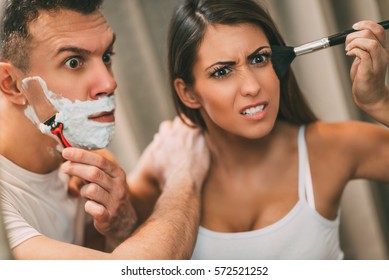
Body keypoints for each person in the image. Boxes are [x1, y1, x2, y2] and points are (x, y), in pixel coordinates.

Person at [128, 0, 389, 259]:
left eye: (259, 58)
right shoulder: (168, 160)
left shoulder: (329, 147)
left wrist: (379, 102)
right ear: (188, 93)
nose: (252, 86)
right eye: (222, 72)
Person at [0, 0, 210, 259]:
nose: (109, 83)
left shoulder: (83, 163)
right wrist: (185, 175)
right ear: (11, 84)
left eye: (107, 56)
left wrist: (120, 228)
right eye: (74, 62)